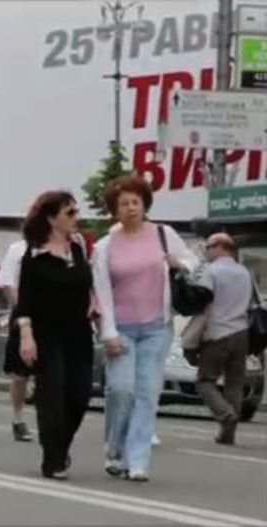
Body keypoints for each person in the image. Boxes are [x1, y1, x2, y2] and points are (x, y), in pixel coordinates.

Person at [92, 175, 198, 482]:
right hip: (122, 328)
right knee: (121, 390)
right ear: (115, 210)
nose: (130, 207)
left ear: (144, 205)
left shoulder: (164, 234)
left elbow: (196, 263)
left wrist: (181, 264)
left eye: (135, 202)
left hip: (157, 327)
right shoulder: (105, 247)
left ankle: (136, 460)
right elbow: (102, 292)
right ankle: (114, 449)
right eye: (123, 203)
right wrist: (109, 333)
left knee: (147, 394)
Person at [14, 190, 94, 480]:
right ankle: (53, 460)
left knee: (79, 395)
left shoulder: (78, 247)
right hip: (47, 335)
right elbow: (24, 302)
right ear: (51, 218)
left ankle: (61, 447)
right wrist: (27, 336)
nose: (76, 217)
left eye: (76, 211)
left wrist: (94, 303)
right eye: (69, 213)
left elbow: (88, 284)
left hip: (79, 334)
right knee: (53, 397)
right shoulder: (34, 255)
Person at [196, 233, 253, 445]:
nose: (207, 250)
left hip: (217, 332)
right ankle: (228, 433)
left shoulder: (212, 271)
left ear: (221, 247)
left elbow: (202, 301)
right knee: (234, 384)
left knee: (205, 381)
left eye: (209, 246)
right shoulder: (244, 272)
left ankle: (225, 414)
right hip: (241, 332)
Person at [0, 238, 34, 442]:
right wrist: (22, 310)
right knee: (20, 375)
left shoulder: (61, 247)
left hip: (52, 319)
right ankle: (18, 420)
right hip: (22, 316)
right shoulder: (17, 250)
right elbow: (7, 285)